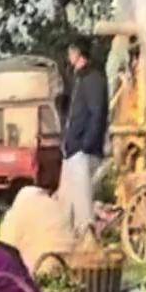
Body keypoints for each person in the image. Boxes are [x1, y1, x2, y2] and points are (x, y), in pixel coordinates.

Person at [55, 36, 107, 242]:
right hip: (72, 149)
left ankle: (88, 240)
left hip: (83, 150)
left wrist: (86, 144)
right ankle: (68, 239)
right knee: (67, 202)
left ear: (79, 54)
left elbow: (97, 113)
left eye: (71, 52)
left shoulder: (94, 79)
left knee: (83, 203)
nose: (69, 56)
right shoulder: (78, 79)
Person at [0, 182, 77, 277]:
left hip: (32, 277)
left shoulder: (17, 212)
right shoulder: (56, 207)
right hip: (64, 273)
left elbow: (5, 248)